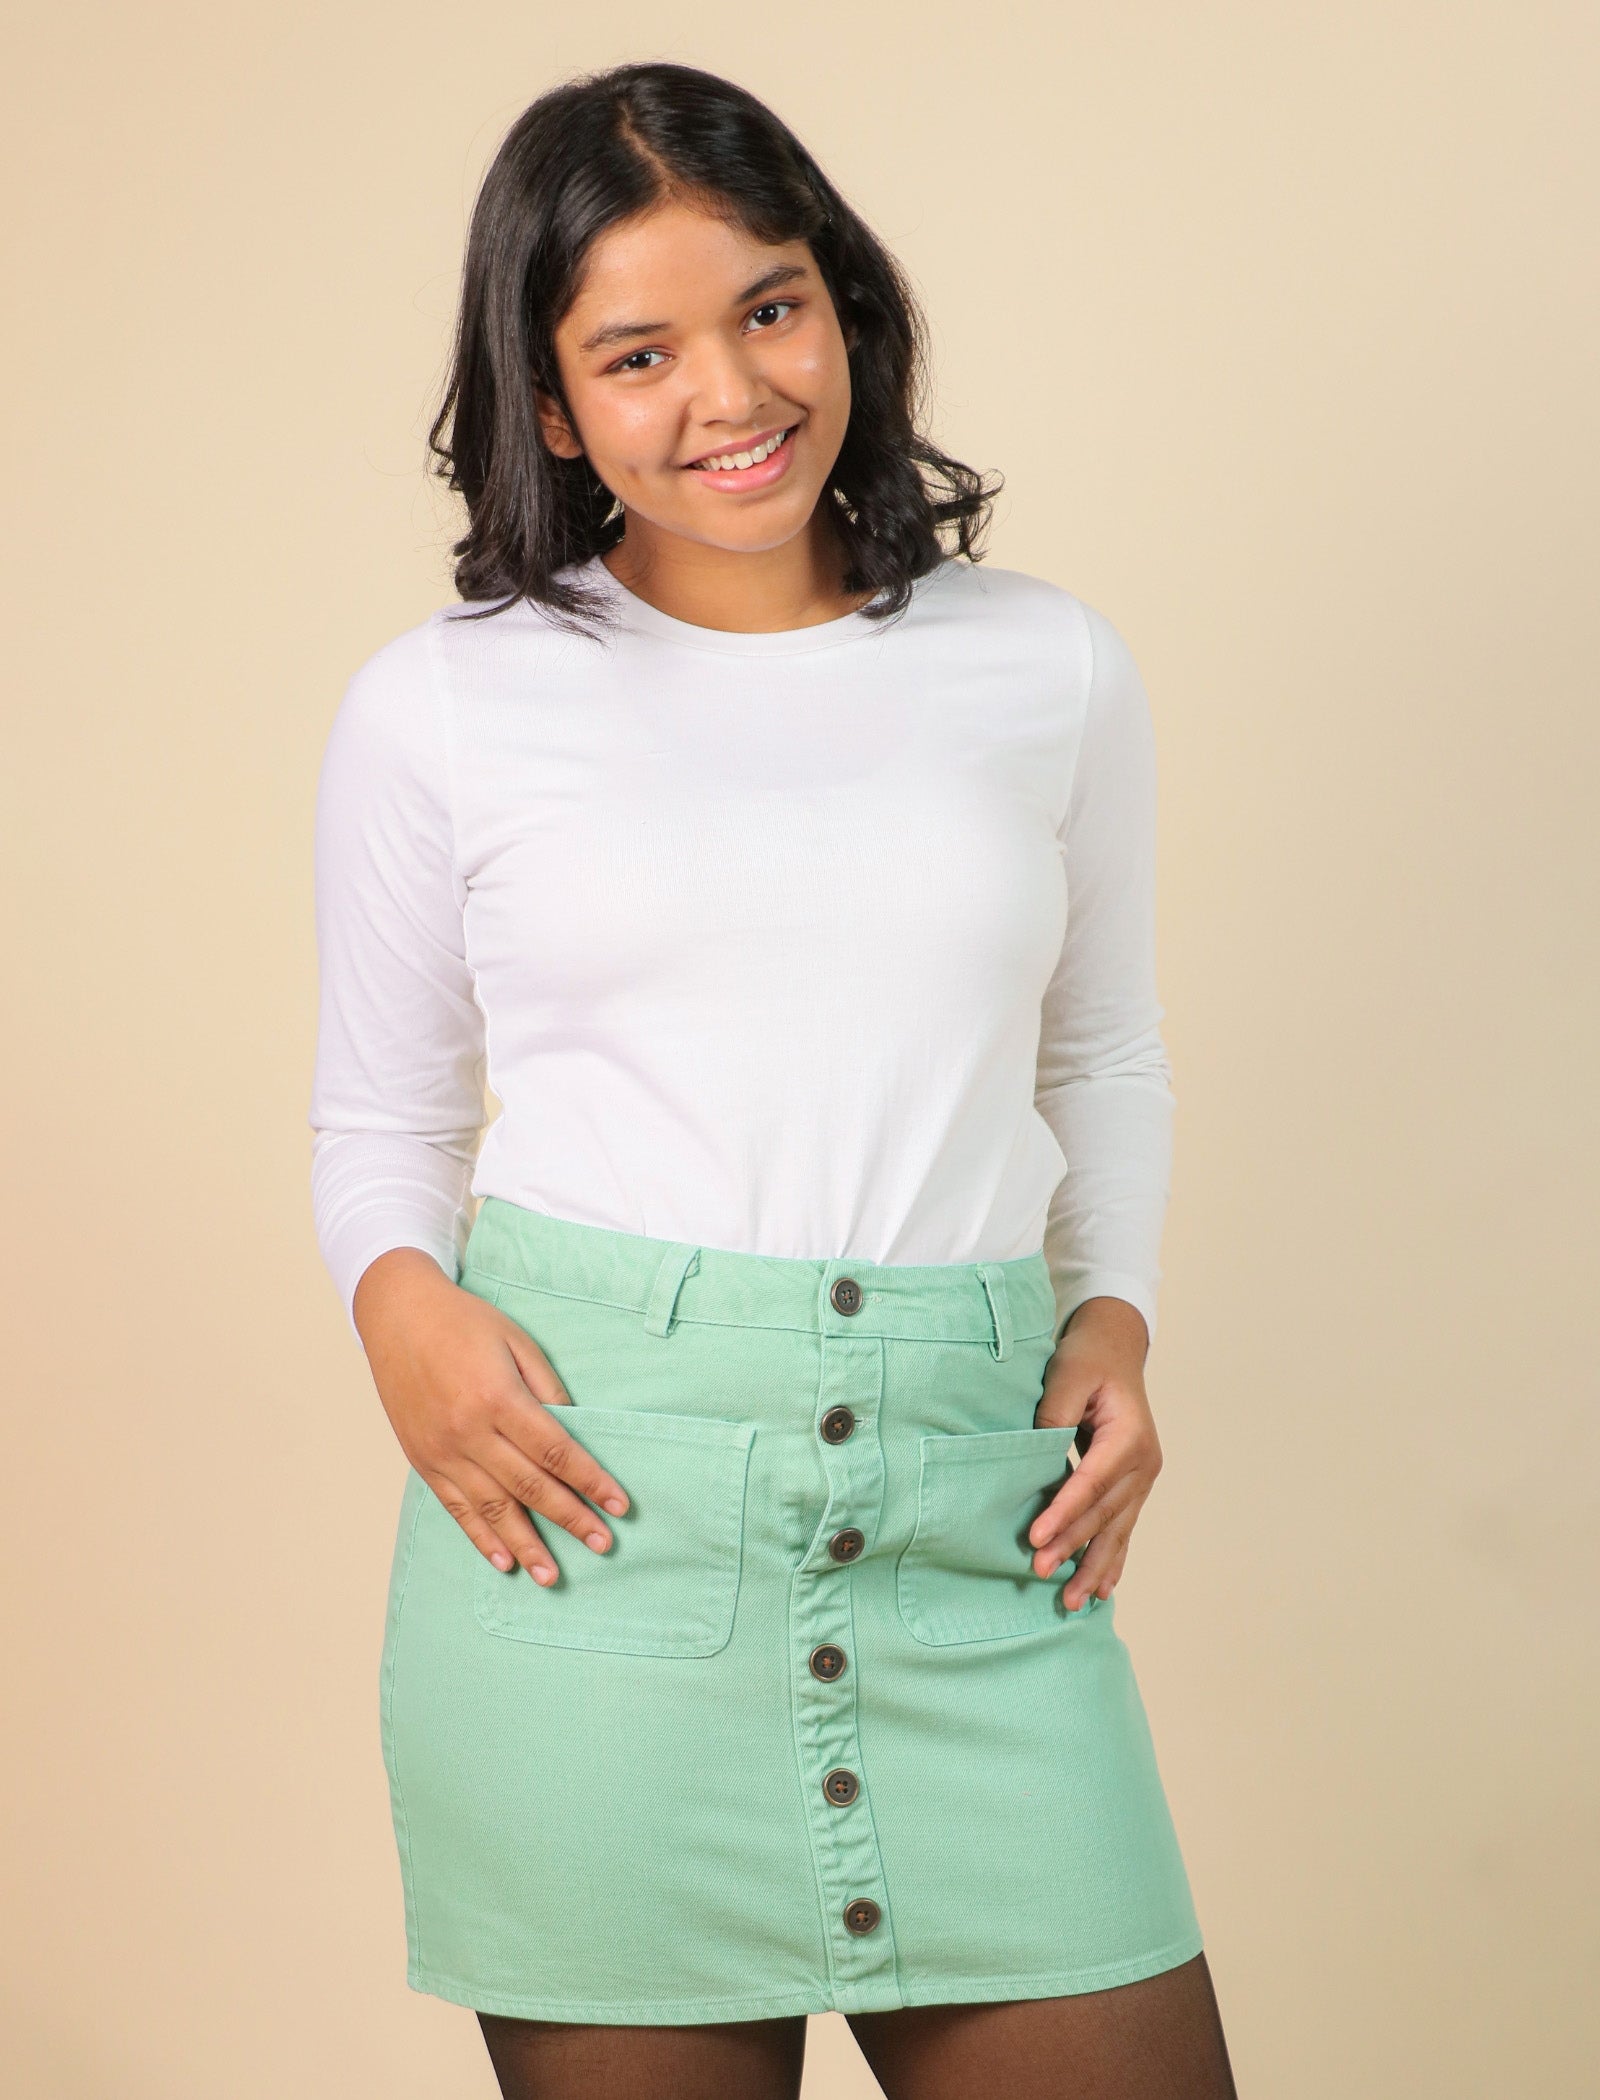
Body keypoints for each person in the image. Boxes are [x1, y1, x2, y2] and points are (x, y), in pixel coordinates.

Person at [307, 58, 1238, 2100]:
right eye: (634, 352)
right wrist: (400, 1309)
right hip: (601, 1528)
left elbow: (1101, 1053)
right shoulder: (443, 710)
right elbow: (378, 1116)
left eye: (768, 307)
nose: (727, 392)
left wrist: (1115, 1311)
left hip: (970, 1531)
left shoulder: (1043, 666)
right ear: (551, 408)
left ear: (846, 311)